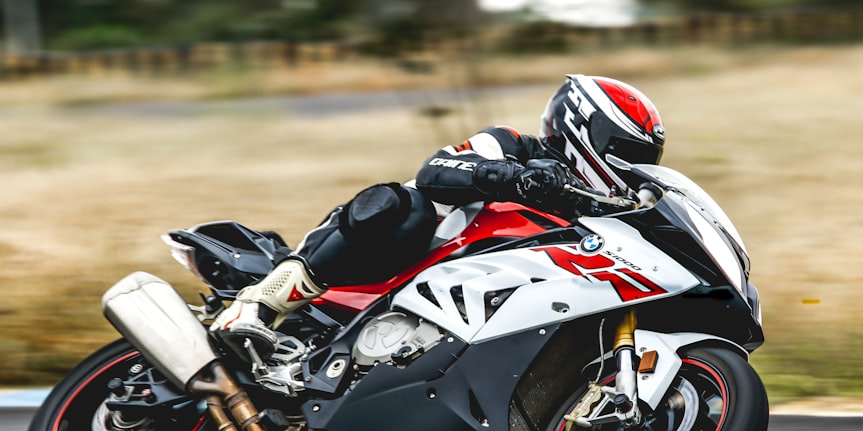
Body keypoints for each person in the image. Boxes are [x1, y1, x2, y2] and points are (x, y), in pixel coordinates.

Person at [211, 74, 665, 357]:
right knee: (401, 207)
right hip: (384, 268)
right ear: (584, 129)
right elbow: (434, 172)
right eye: (623, 153)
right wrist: (511, 176)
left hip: (467, 313)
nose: (625, 168)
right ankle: (260, 303)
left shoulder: (593, 208)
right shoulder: (510, 145)